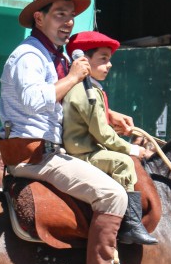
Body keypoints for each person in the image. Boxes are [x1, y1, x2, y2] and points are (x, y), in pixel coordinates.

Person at [0, 0, 146, 264]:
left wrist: (107, 114)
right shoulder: (28, 55)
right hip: (35, 154)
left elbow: (68, 103)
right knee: (113, 195)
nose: (68, 22)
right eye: (60, 14)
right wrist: (76, 77)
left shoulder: (58, 57)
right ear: (39, 18)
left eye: (72, 17)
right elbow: (36, 100)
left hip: (51, 151)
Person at [62, 31, 156, 245]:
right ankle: (129, 224)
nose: (109, 65)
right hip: (83, 153)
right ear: (84, 62)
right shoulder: (86, 91)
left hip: (89, 149)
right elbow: (102, 134)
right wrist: (133, 150)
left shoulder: (91, 89)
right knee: (123, 162)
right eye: (103, 59)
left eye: (109, 59)